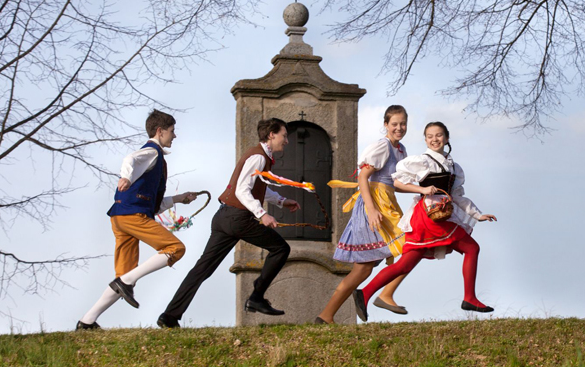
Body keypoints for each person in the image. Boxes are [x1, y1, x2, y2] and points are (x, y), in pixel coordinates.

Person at [156, 118, 300, 328]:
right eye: (284, 136)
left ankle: (169, 316)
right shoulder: (258, 158)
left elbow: (257, 188)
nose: (286, 141)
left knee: (202, 269)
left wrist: (281, 201)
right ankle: (256, 297)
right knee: (281, 248)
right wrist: (262, 215)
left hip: (224, 217)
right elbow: (242, 190)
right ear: (271, 135)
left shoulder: (260, 156)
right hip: (237, 218)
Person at [352, 121, 497, 322]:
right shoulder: (422, 161)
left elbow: (457, 196)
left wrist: (478, 214)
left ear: (446, 138)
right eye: (430, 136)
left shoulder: (453, 166)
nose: (434, 139)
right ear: (425, 139)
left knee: (405, 264)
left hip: (441, 214)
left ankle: (365, 293)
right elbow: (397, 182)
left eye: (438, 135)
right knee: (471, 248)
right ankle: (469, 297)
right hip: (429, 217)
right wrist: (422, 190)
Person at [76, 109, 199, 330]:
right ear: (160, 131)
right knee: (175, 248)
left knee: (123, 275)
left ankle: (86, 322)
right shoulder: (152, 152)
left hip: (121, 216)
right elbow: (129, 159)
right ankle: (126, 282)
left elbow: (153, 205)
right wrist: (125, 176)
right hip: (132, 216)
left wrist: (180, 198)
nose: (175, 136)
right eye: (172, 131)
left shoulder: (155, 159)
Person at [316, 105, 411, 324]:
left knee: (363, 269)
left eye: (402, 123)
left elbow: (395, 184)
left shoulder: (401, 150)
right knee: (411, 247)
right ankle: (385, 295)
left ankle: (325, 316)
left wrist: (423, 190)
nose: (399, 128)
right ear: (386, 125)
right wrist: (371, 209)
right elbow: (363, 177)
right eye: (394, 124)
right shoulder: (382, 146)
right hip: (374, 205)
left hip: (387, 204)